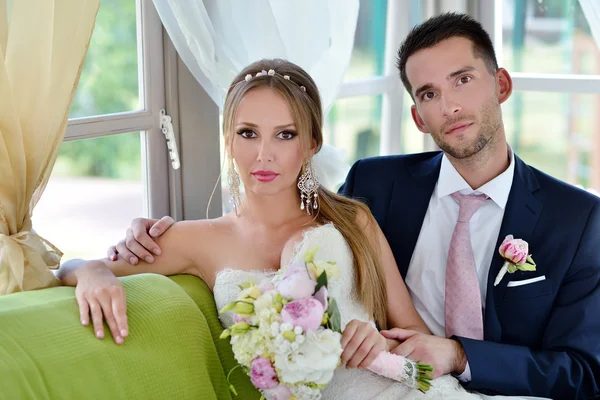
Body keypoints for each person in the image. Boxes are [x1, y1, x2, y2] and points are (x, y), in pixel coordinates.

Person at [117, 13, 600, 399]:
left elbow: (583, 374)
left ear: (501, 85)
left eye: (463, 80)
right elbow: (310, 232)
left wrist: (457, 355)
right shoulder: (375, 184)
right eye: (429, 93)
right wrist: (128, 243)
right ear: (416, 115)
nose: (449, 105)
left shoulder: (578, 220)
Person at [57, 59, 484, 399]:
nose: (263, 155)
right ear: (228, 140)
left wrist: (379, 342)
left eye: (284, 134)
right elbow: (69, 267)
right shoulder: (197, 240)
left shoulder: (353, 221)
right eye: (248, 133)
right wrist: (92, 273)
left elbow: (425, 352)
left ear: (312, 143)